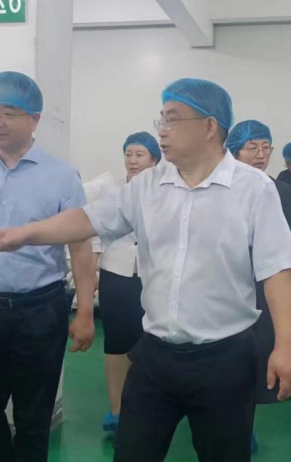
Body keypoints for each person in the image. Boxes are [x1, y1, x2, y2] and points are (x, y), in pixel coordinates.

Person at [0, 78, 291, 462]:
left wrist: (285, 345)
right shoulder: (147, 185)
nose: (162, 130)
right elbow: (88, 220)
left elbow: (278, 271)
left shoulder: (253, 189)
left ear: (209, 126)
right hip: (155, 356)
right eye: (161, 119)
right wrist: (25, 234)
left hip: (225, 359)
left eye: (172, 119)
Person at [0, 71, 97, 462]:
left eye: (9, 112)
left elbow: (80, 247)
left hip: (40, 311)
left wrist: (85, 312)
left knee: (32, 420)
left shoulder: (62, 177)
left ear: (34, 119)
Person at [226, 119, 291, 455]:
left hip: (265, 286)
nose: (260, 154)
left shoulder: (279, 190)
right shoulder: (221, 188)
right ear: (234, 151)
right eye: (251, 147)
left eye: (266, 147)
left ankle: (244, 425)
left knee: (253, 357)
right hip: (227, 283)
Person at [99, 132, 161, 434]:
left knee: (152, 343)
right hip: (116, 273)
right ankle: (117, 410)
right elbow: (91, 227)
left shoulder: (165, 191)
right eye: (128, 154)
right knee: (116, 343)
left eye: (139, 155)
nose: (132, 160)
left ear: (154, 160)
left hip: (154, 275)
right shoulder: (109, 189)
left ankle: (150, 410)